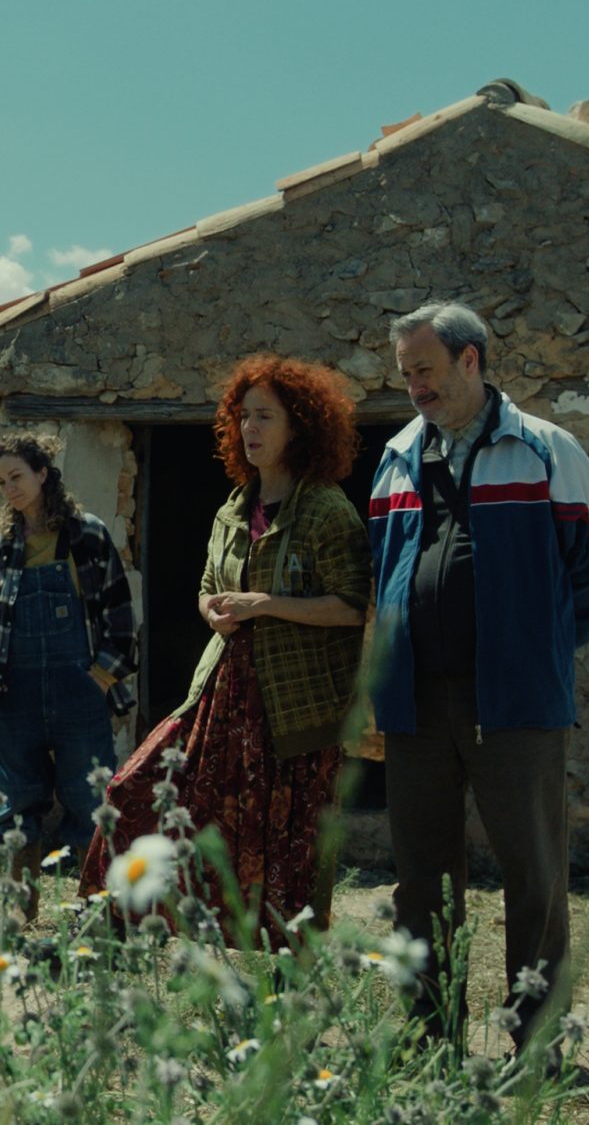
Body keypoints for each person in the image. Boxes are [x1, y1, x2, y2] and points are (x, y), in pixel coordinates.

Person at [366, 301, 589, 1054]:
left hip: (516, 699)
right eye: (406, 374)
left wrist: (534, 648)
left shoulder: (546, 449)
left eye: (426, 370)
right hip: (416, 700)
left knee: (532, 874)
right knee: (421, 879)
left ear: (470, 360)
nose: (415, 387)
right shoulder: (397, 454)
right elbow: (384, 571)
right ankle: (429, 1036)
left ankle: (535, 1042)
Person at [83, 357, 369, 949]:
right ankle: (123, 928)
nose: (250, 429)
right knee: (133, 792)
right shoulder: (234, 508)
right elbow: (208, 588)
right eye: (243, 417)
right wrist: (211, 611)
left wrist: (267, 604)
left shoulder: (326, 509)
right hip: (222, 695)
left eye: (266, 417)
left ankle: (290, 971)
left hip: (293, 708)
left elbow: (352, 604)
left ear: (301, 426)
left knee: (285, 845)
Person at [0, 431, 135, 904]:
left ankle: (94, 909)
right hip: (14, 694)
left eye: (16, 477)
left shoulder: (88, 536)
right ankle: (20, 910)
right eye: (1, 482)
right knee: (16, 801)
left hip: (80, 692)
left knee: (90, 800)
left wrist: (100, 679)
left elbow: (121, 615)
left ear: (43, 474)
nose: (9, 489)